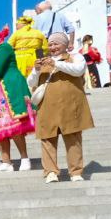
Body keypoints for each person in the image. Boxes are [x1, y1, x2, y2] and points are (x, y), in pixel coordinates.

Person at [33, 32, 94, 183]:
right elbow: (31, 82)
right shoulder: (43, 61)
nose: (52, 47)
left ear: (65, 45)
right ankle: (51, 172)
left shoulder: (75, 57)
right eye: (50, 44)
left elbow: (78, 70)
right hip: (47, 105)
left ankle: (75, 172)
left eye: (56, 44)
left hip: (70, 104)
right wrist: (36, 70)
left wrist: (56, 64)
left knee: (73, 139)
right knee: (47, 139)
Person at [0, 27, 36, 173]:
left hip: (9, 87)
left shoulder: (3, 47)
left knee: (14, 125)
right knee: (1, 126)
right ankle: (6, 162)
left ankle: (24, 158)